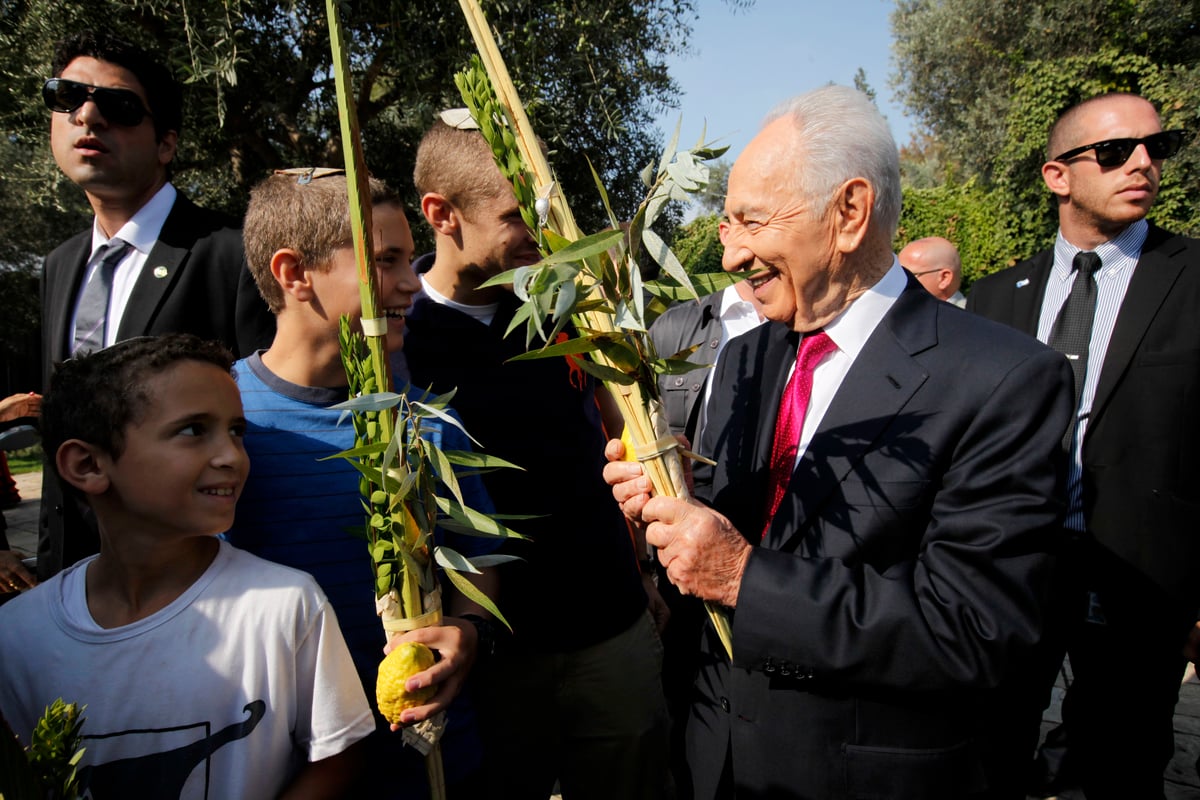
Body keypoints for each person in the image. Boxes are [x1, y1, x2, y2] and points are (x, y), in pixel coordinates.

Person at [604, 85, 1073, 799]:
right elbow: (737, 538)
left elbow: (973, 632)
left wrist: (741, 575)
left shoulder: (1004, 380)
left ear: (848, 213)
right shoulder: (743, 359)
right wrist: (676, 501)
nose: (729, 255)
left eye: (749, 221)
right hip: (714, 766)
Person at [402, 117, 672, 799]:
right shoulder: (398, 334)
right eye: (518, 215)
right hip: (492, 658)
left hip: (609, 630)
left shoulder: (572, 305)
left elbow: (623, 437)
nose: (541, 234)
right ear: (442, 214)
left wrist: (643, 567)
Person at [0, 334, 374, 799]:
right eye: (194, 430)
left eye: (237, 431)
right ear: (87, 465)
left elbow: (339, 758)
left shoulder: (285, 605)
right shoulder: (17, 637)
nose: (231, 456)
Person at [226, 167, 501, 798]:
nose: (411, 282)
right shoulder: (223, 422)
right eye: (386, 261)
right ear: (294, 274)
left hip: (431, 766)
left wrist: (467, 631)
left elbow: (478, 559)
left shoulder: (426, 423)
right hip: (281, 770)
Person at [967, 92, 1199, 800]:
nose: (1142, 164)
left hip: (1140, 578)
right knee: (988, 749)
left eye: (1156, 148)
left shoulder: (1191, 279)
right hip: (1008, 570)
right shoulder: (997, 298)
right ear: (1056, 176)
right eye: (1114, 151)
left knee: (1119, 765)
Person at [23, 30, 274, 585]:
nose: (87, 116)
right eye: (66, 97)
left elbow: (260, 425)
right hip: (76, 581)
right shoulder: (60, 265)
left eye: (117, 105)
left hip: (197, 584)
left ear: (166, 143)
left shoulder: (230, 254)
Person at [647, 220, 766, 788]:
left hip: (767, 573)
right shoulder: (680, 326)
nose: (746, 250)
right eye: (738, 224)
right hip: (684, 561)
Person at [898, 236, 966, 306]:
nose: (899, 282)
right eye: (898, 274)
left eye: (908, 275)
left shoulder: (961, 316)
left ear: (944, 278)